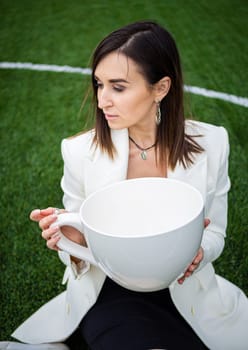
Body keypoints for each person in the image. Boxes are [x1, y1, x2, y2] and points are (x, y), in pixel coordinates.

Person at [1, 20, 247, 350]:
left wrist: (199, 253)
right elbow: (82, 251)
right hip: (111, 292)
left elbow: (216, 231)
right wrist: (73, 240)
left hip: (187, 295)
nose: (102, 100)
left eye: (118, 87)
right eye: (99, 84)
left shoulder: (213, 142)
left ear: (160, 88)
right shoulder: (78, 151)